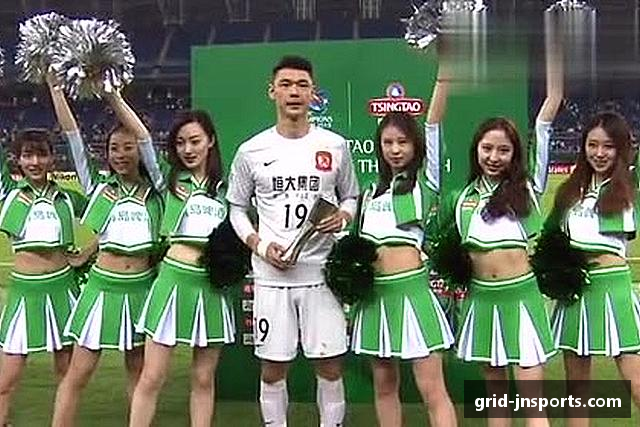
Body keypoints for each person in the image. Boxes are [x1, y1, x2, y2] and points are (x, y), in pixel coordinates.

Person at [430, 35, 563, 426]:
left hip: (521, 301)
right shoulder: (460, 198)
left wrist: (557, 46)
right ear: (476, 150)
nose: (494, 156)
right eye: (487, 148)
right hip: (481, 303)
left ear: (515, 154)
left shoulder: (529, 188)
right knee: (496, 398)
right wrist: (445, 70)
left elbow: (550, 108)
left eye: (503, 150)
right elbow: (432, 127)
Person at [226, 55, 359, 427]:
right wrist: (260, 245)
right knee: (273, 369)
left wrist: (343, 217)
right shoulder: (251, 151)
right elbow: (236, 209)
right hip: (271, 278)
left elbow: (351, 196)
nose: (294, 92)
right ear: (272, 92)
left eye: (302, 85)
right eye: (286, 85)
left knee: (329, 367)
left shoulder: (335, 146)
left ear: (313, 93)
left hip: (321, 276)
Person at [46, 78, 163, 427]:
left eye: (128, 147)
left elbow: (144, 136)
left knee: (138, 371)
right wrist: (56, 90)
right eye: (114, 148)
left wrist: (113, 97)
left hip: (142, 289)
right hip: (101, 289)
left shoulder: (157, 189)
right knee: (78, 372)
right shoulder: (97, 186)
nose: (121, 154)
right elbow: (72, 136)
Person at [350, 109, 457, 425]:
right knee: (384, 387)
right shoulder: (370, 192)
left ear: (416, 145)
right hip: (374, 299)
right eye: (388, 142)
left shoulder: (425, 182)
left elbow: (433, 124)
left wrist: (443, 82)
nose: (395, 150)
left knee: (433, 391)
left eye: (403, 142)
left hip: (413, 295)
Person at [129, 110, 235, 427]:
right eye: (180, 143)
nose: (187, 149)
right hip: (172, 283)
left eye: (195, 141)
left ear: (210, 141)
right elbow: (142, 137)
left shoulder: (226, 190)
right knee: (152, 376)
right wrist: (112, 95)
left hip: (211, 287)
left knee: (203, 378)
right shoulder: (168, 179)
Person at [548, 111, 640, 426]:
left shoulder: (631, 184)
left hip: (614, 290)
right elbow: (552, 241)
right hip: (576, 292)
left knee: (636, 382)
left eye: (609, 146)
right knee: (577, 391)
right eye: (592, 145)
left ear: (622, 148)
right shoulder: (569, 192)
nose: (599, 153)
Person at [0, 127, 86, 425]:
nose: (35, 162)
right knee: (5, 381)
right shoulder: (8, 194)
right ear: (17, 160)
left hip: (63, 291)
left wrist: (87, 253)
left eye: (41, 155)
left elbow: (110, 217)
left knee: (68, 375)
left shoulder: (68, 198)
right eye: (27, 155)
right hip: (25, 295)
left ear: (53, 158)